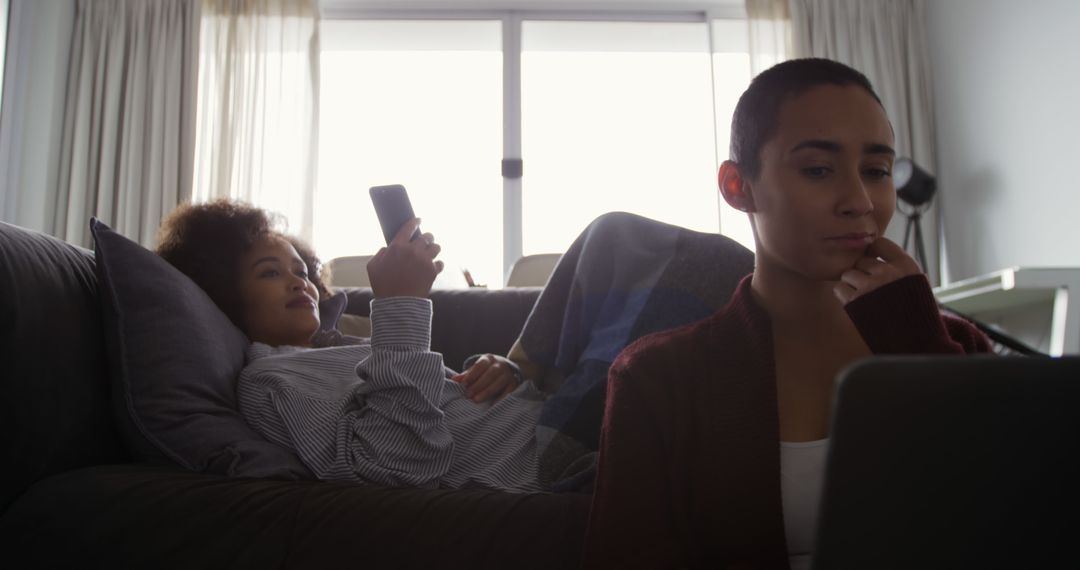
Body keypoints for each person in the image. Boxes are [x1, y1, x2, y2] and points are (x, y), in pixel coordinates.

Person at [581, 58, 992, 569]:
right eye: (818, 170)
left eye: (877, 171)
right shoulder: (657, 377)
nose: (860, 202)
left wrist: (922, 357)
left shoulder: (956, 349)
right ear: (738, 187)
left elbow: (1010, 526)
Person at [155, 199, 540, 491]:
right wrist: (401, 306)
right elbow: (396, 463)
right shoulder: (270, 380)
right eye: (269, 272)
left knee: (601, 240)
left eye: (302, 272)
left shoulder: (343, 349)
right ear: (224, 294)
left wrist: (502, 368)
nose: (299, 283)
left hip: (546, 412)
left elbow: (443, 398)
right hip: (549, 455)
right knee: (603, 237)